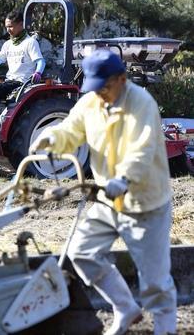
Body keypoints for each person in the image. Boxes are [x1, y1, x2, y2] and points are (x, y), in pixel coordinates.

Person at [29, 50, 177, 335]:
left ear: (122, 79)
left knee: (155, 282)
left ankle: (166, 329)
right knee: (81, 253)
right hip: (107, 201)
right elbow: (70, 132)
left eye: (104, 88)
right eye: (94, 88)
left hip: (144, 203)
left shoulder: (141, 104)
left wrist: (123, 178)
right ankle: (125, 308)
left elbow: (141, 151)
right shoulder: (90, 103)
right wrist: (51, 137)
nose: (99, 95)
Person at [0, 10, 46, 136]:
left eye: (11, 26)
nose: (8, 30)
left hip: (22, 82)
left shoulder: (30, 42)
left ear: (20, 24)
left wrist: (38, 72)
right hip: (9, 81)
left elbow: (41, 61)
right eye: (7, 27)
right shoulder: (8, 44)